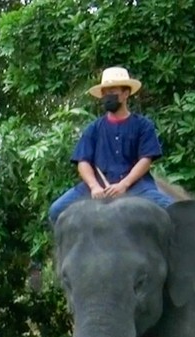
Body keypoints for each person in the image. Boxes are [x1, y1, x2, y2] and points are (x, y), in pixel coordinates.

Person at [48, 67, 174, 224]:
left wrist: (124, 184)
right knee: (56, 210)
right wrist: (94, 186)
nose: (107, 96)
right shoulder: (93, 128)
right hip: (99, 187)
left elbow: (146, 159)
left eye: (112, 91)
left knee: (172, 209)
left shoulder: (144, 125)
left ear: (126, 94)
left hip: (137, 186)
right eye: (105, 92)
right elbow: (83, 162)